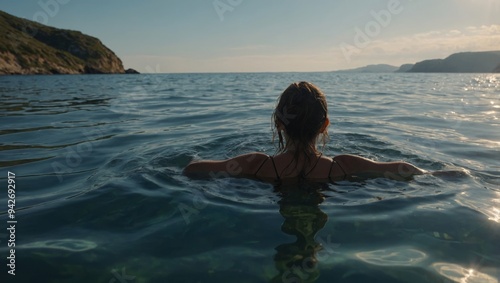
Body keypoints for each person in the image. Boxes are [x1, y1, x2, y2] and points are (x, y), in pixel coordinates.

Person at [183, 81, 427, 184]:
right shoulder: (342, 166)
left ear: (279, 124)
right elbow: (403, 168)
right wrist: (437, 172)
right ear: (324, 126)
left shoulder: (256, 164)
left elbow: (192, 169)